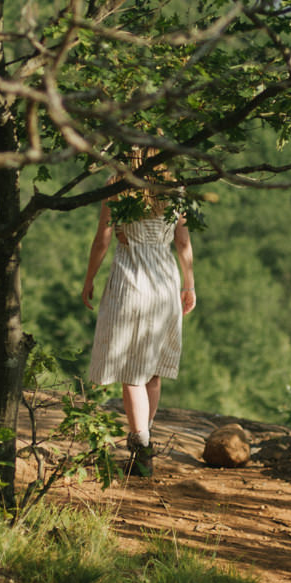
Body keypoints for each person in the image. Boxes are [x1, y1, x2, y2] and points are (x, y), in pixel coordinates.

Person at [82, 155, 196, 476]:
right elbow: (183, 240)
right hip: (165, 277)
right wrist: (189, 284)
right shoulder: (175, 187)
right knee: (153, 369)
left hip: (130, 276)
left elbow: (103, 238)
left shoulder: (117, 186)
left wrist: (89, 278)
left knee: (131, 370)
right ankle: (144, 443)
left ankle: (141, 448)